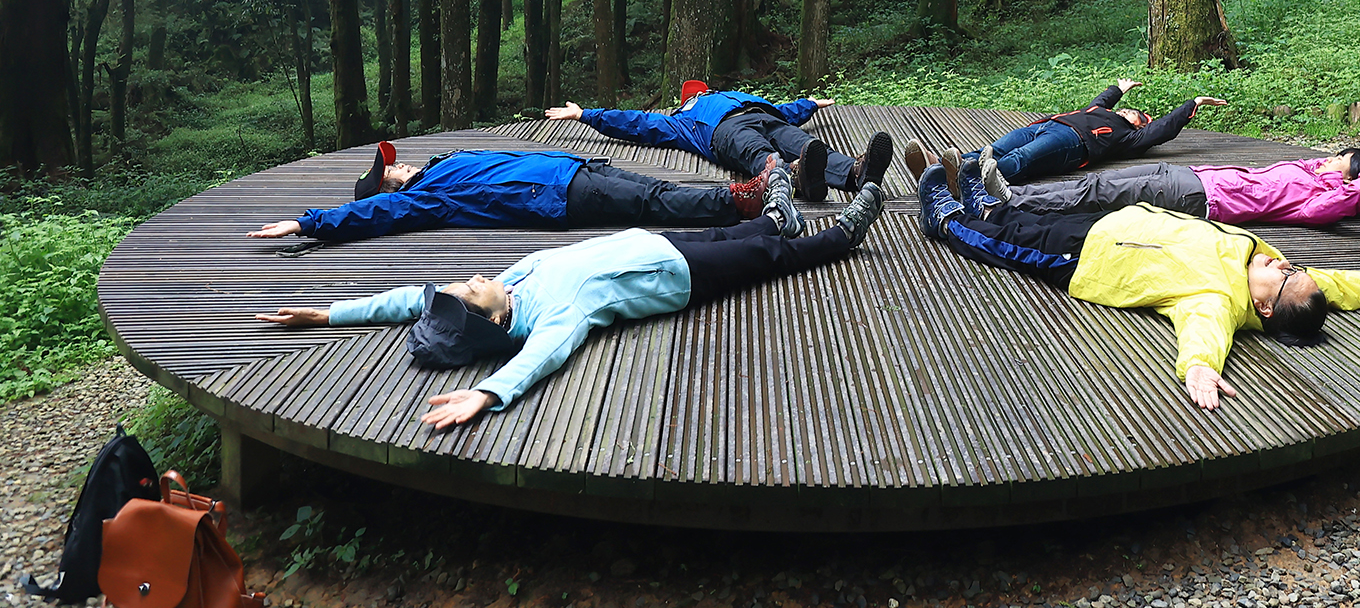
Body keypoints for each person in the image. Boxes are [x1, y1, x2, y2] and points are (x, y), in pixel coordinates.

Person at [253, 166, 888, 430]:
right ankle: (841, 237)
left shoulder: (512, 284)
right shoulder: (552, 318)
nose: (473, 276)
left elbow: (406, 302)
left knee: (740, 234)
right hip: (679, 277)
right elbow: (542, 359)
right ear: (493, 317)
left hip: (652, 243)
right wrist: (488, 392)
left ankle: (776, 218)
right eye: (472, 288)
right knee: (767, 260)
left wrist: (329, 313)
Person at [912, 161, 1360, 411]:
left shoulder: (1219, 301)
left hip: (1086, 259)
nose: (1285, 265)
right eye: (1293, 268)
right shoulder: (1261, 261)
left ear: (1266, 309)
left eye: (1287, 276)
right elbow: (1346, 286)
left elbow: (1203, 335)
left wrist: (1199, 369)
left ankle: (946, 219)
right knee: (1021, 220)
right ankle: (982, 205)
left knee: (1007, 244)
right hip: (1117, 223)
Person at [244, 141, 793, 244]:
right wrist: (310, 222)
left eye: (393, 161)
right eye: (391, 169)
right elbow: (378, 214)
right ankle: (742, 203)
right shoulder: (424, 197)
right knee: (651, 206)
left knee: (656, 187)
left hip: (569, 169)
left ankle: (741, 194)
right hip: (555, 196)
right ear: (388, 186)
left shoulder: (441, 165)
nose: (399, 164)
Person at [548, 80, 891, 203]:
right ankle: (794, 176)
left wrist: (809, 104)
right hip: (723, 131)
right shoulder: (681, 120)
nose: (699, 93)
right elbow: (638, 123)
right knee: (758, 153)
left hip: (765, 115)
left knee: (805, 142)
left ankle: (854, 173)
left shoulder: (736, 95)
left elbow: (784, 110)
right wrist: (585, 114)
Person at [902, 79, 1230, 185]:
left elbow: (1163, 128)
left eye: (1134, 113)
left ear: (1139, 123)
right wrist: (1119, 88)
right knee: (995, 150)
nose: (1127, 111)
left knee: (1021, 159)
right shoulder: (1099, 112)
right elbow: (1101, 101)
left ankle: (966, 181)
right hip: (1044, 125)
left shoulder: (1128, 136)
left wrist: (1193, 103)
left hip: (1073, 142)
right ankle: (940, 166)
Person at [974, 147, 1360, 228]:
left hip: (1198, 198)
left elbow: (1329, 210)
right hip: (1188, 175)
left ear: (1349, 178)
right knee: (1096, 183)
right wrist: (1356, 167)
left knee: (1099, 197)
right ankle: (1012, 194)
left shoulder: (1319, 197)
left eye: (1339, 160)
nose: (1330, 158)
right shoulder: (1312, 173)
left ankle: (1011, 201)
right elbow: (1311, 165)